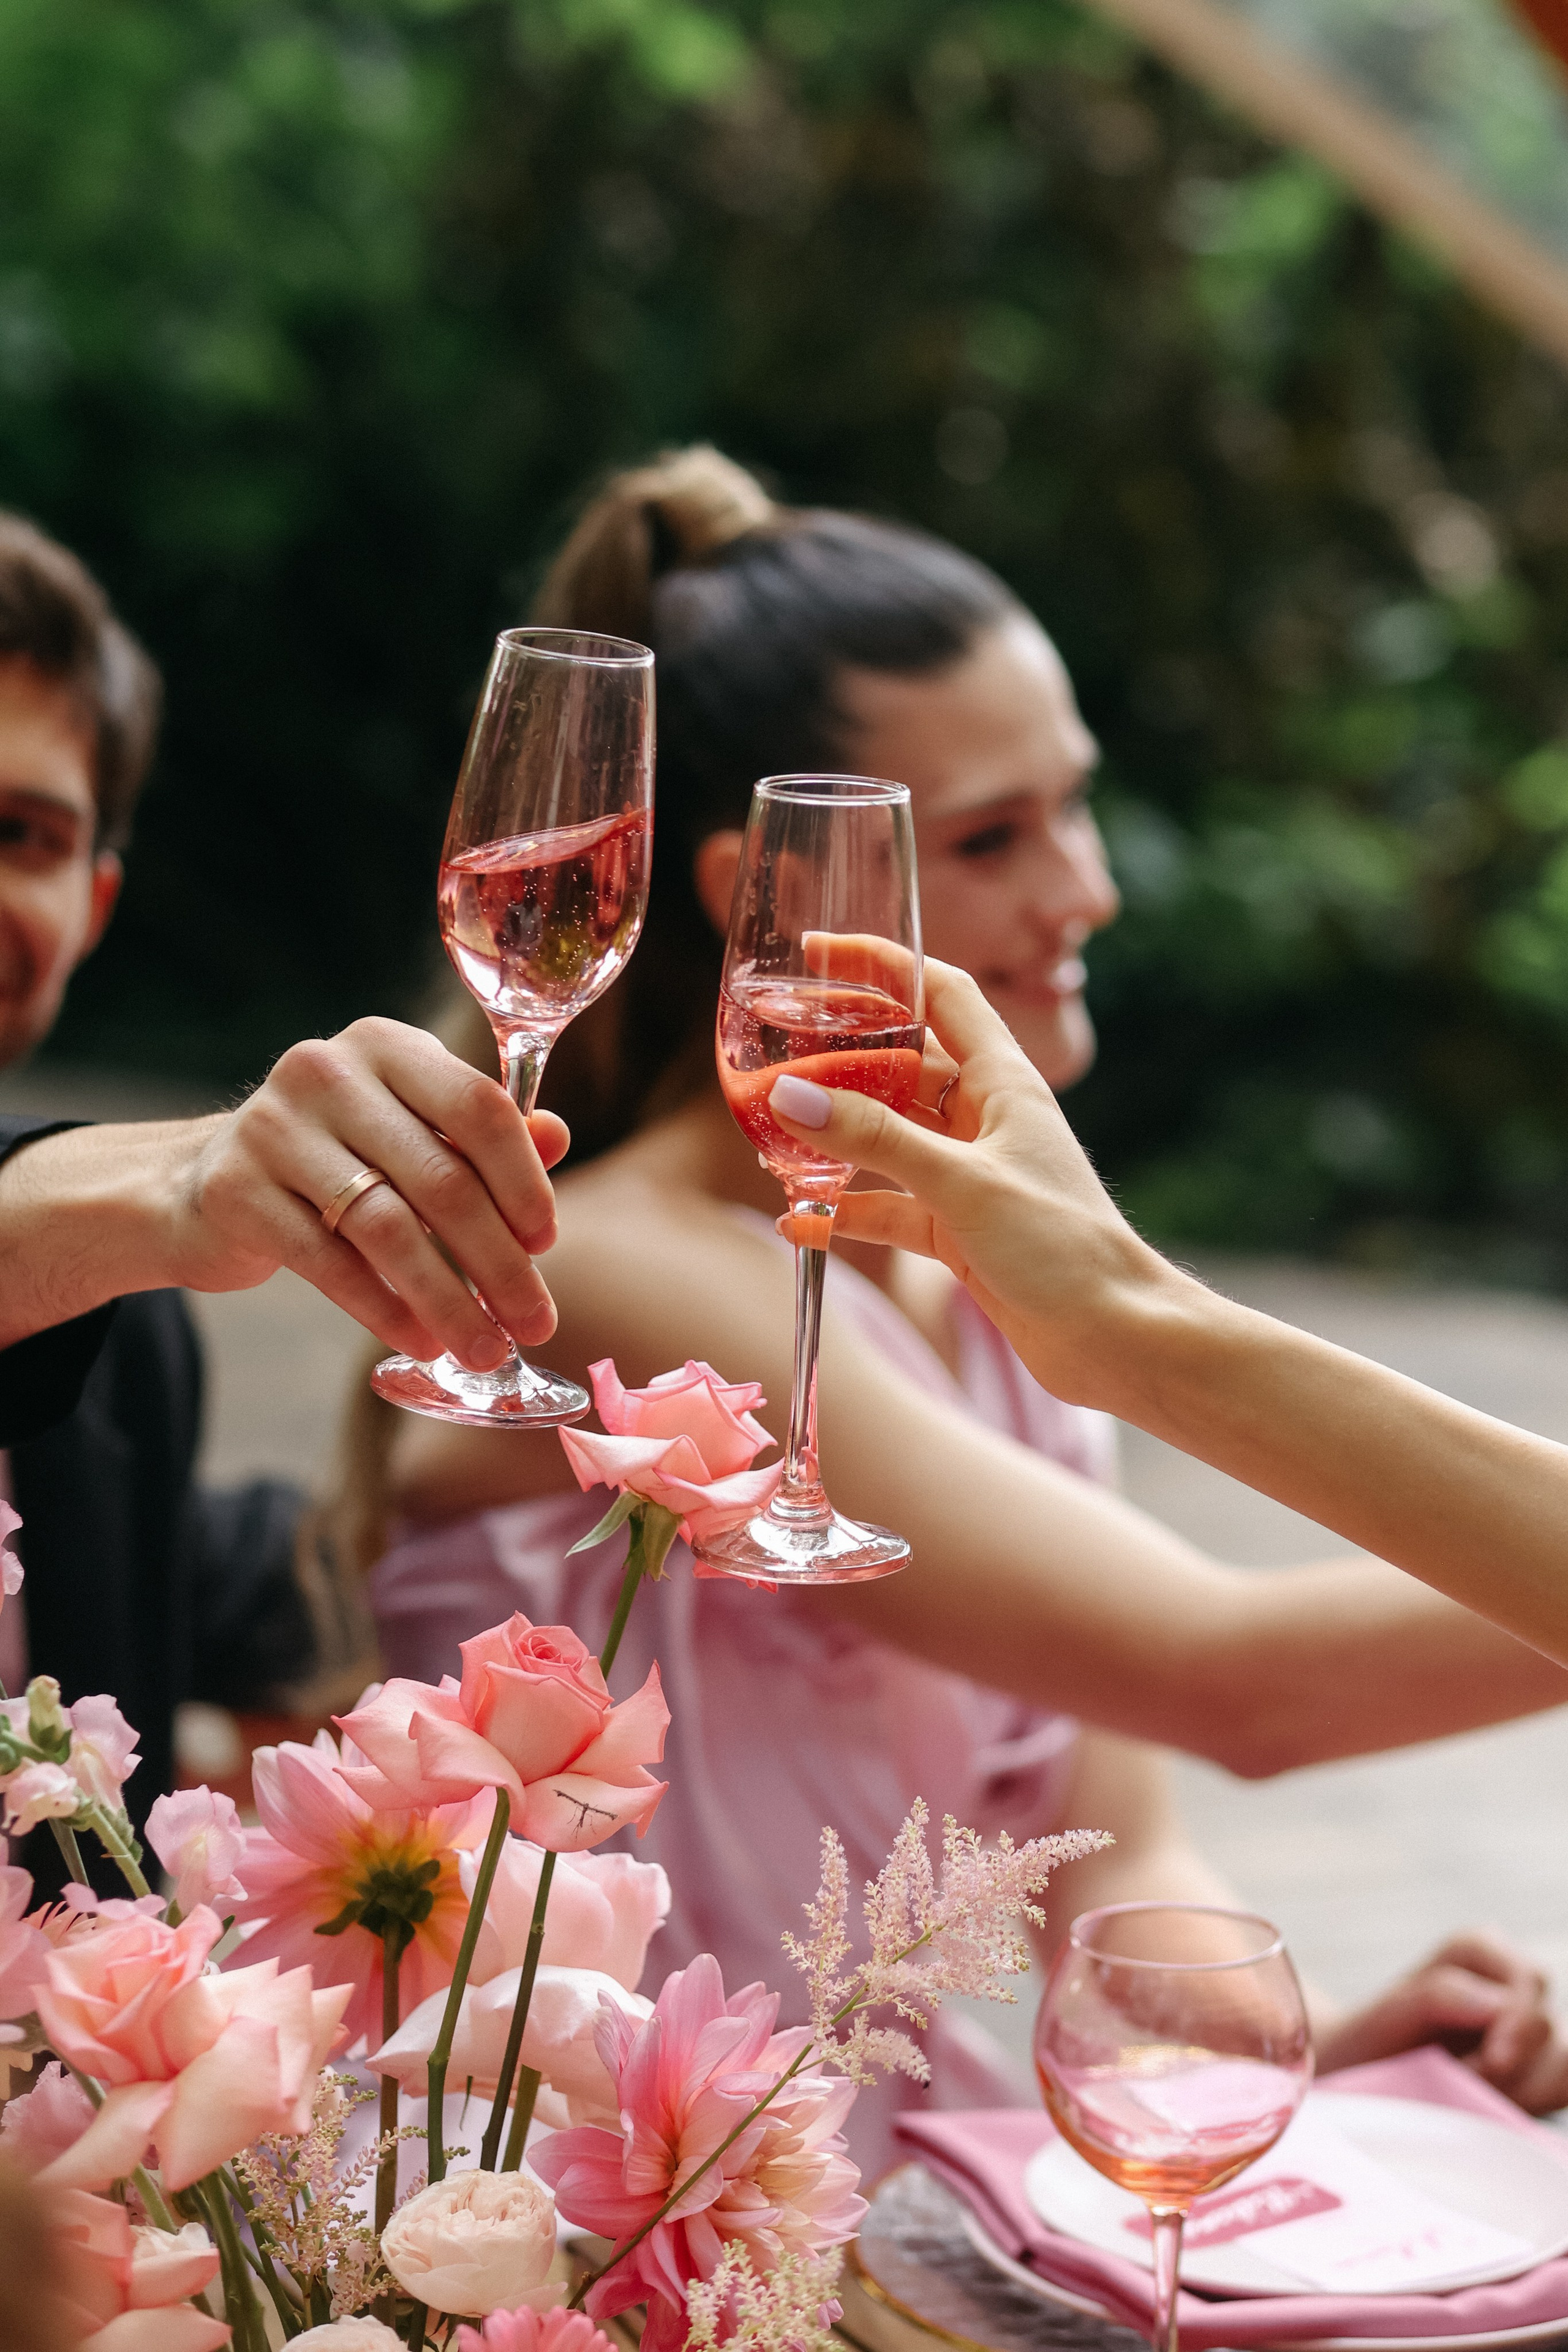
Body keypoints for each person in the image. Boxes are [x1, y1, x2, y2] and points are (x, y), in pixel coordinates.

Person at [350, 448, 1568, 2165]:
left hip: (899, 2221)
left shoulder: (971, 1269)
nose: (1090, 889)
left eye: (1073, 805)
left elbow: (1115, 1840)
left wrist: (1282, 2051)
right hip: (589, 2230)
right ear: (772, 905)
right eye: (998, 837)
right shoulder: (618, 1273)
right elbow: (1235, 1682)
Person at [0, 510, 568, 1869]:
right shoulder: (112, 1251)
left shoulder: (126, 1342)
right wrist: (171, 1186)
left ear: (95, 905)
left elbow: (213, 1578)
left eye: (23, 832)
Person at [771, 953, 1568, 1675]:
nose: (1092, 892)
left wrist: (1123, 1321)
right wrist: (1122, 1323)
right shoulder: (684, 1266)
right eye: (987, 840)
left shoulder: (975, 1305)